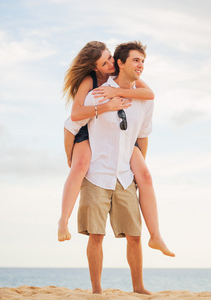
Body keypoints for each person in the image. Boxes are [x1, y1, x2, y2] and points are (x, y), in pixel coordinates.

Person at [58, 41, 174, 258]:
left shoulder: (132, 84)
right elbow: (73, 118)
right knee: (80, 165)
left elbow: (149, 96)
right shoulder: (90, 83)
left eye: (110, 57)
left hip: (122, 139)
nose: (110, 63)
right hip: (88, 122)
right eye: (105, 62)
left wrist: (135, 166)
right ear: (95, 67)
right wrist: (69, 157)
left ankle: (156, 236)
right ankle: (63, 220)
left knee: (146, 176)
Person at [64, 41, 155, 294]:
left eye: (143, 61)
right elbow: (71, 122)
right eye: (135, 60)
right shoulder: (94, 90)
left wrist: (137, 167)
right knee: (96, 235)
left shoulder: (143, 98)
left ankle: (139, 287)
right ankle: (96, 290)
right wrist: (70, 158)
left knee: (135, 235)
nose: (140, 65)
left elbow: (144, 133)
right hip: (96, 174)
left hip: (125, 176)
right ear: (121, 62)